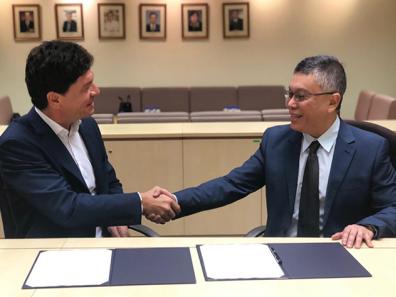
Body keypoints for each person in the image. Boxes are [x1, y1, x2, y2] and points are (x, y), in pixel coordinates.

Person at [152, 55, 396, 248]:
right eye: (290, 94)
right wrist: (173, 202)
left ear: (332, 101)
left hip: (342, 254)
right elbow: (230, 185)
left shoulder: (370, 149)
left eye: (300, 96)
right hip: (281, 255)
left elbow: (392, 208)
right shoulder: (276, 141)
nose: (290, 104)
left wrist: (369, 227)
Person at [0, 40, 180, 238]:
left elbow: (109, 181)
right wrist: (139, 203)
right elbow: (67, 207)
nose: (97, 91)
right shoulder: (17, 144)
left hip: (103, 246)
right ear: (55, 99)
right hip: (53, 256)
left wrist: (117, 217)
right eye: (86, 87)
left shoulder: (87, 126)